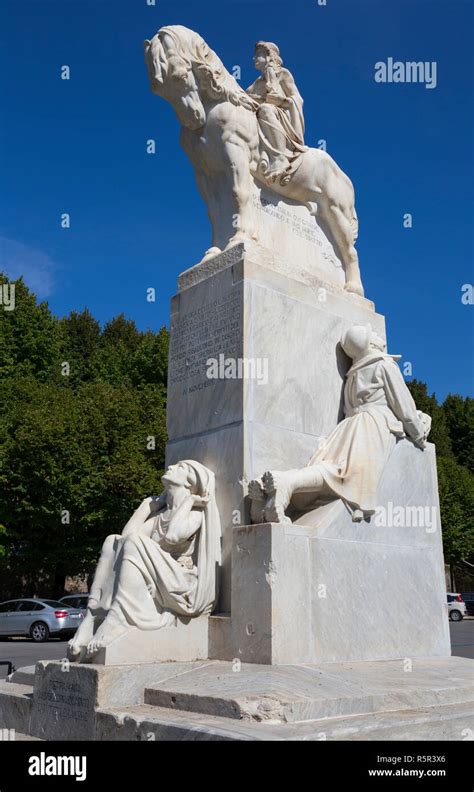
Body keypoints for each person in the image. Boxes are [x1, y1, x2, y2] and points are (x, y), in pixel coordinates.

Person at [249, 326, 431, 524]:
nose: (379, 335)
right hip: (375, 425)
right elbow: (405, 409)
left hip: (349, 426)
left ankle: (281, 485)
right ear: (370, 344)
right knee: (344, 474)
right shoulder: (384, 366)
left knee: (331, 467)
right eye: (374, 334)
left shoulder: (353, 373)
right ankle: (286, 482)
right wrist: (419, 435)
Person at [68, 460, 221, 659]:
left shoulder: (195, 513)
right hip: (160, 573)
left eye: (180, 468)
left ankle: (119, 616)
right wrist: (147, 506)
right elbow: (125, 537)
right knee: (111, 540)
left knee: (133, 542)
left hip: (181, 579)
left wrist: (190, 501)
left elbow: (173, 536)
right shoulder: (161, 516)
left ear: (189, 482)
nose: (172, 466)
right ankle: (91, 615)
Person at [247, 41, 308, 184]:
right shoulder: (254, 85)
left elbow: (297, 98)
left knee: (266, 109)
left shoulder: (282, 74)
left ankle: (279, 158)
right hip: (259, 117)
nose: (253, 58)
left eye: (258, 55)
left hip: (279, 115)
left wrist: (282, 101)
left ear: (268, 57)